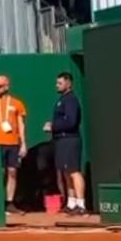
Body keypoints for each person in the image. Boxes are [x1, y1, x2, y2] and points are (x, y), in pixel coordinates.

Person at [0, 75, 27, 214]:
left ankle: (9, 202)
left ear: (6, 86)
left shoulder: (17, 103)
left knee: (12, 172)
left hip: (13, 142)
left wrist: (23, 143)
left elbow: (21, 124)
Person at [44, 72, 85, 216]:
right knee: (66, 173)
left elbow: (71, 122)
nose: (57, 85)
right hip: (61, 140)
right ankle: (71, 203)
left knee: (74, 172)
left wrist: (53, 127)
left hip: (70, 140)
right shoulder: (62, 99)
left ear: (68, 83)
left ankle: (81, 204)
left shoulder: (71, 100)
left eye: (60, 83)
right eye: (57, 83)